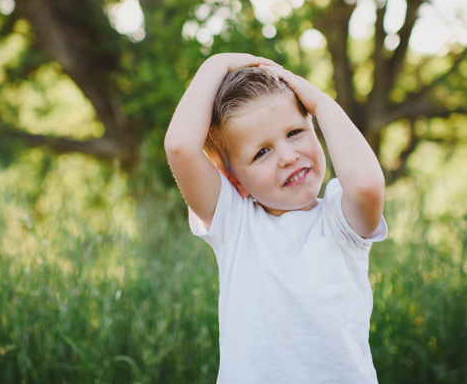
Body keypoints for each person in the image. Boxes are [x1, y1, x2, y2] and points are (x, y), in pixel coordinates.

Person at [164, 52, 387, 383]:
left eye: (295, 132)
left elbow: (367, 186)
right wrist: (218, 63)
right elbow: (180, 147)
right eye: (261, 152)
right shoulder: (235, 224)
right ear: (235, 180)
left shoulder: (340, 219)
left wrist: (320, 103)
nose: (288, 156)